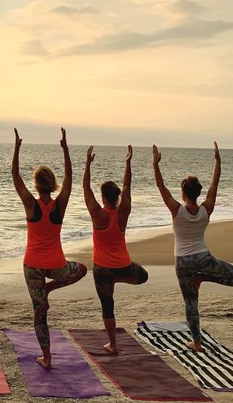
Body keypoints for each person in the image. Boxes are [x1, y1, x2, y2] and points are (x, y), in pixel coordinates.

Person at [152, 142, 233, 352]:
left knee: (191, 304)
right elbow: (215, 184)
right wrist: (218, 162)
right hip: (204, 258)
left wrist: (155, 164)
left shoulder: (177, 210)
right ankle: (203, 278)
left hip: (183, 262)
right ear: (197, 193)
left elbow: (161, 187)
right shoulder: (206, 209)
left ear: (184, 193)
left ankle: (197, 343)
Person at [12, 128, 87, 369]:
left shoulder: (30, 205)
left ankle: (47, 357)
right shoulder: (59, 205)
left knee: (39, 311)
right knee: (82, 269)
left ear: (36, 184)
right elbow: (70, 177)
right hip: (56, 265)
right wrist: (65, 149)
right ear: (52, 185)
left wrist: (16, 149)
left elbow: (15, 177)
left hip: (32, 265)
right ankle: (50, 288)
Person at [83, 145, 148, 354]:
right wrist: (127, 162)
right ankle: (118, 278)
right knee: (143, 276)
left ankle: (112, 344)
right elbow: (128, 186)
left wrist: (87, 164)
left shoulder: (97, 214)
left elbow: (86, 189)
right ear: (117, 197)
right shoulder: (123, 212)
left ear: (103, 197)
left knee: (107, 306)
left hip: (102, 268)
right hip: (123, 266)